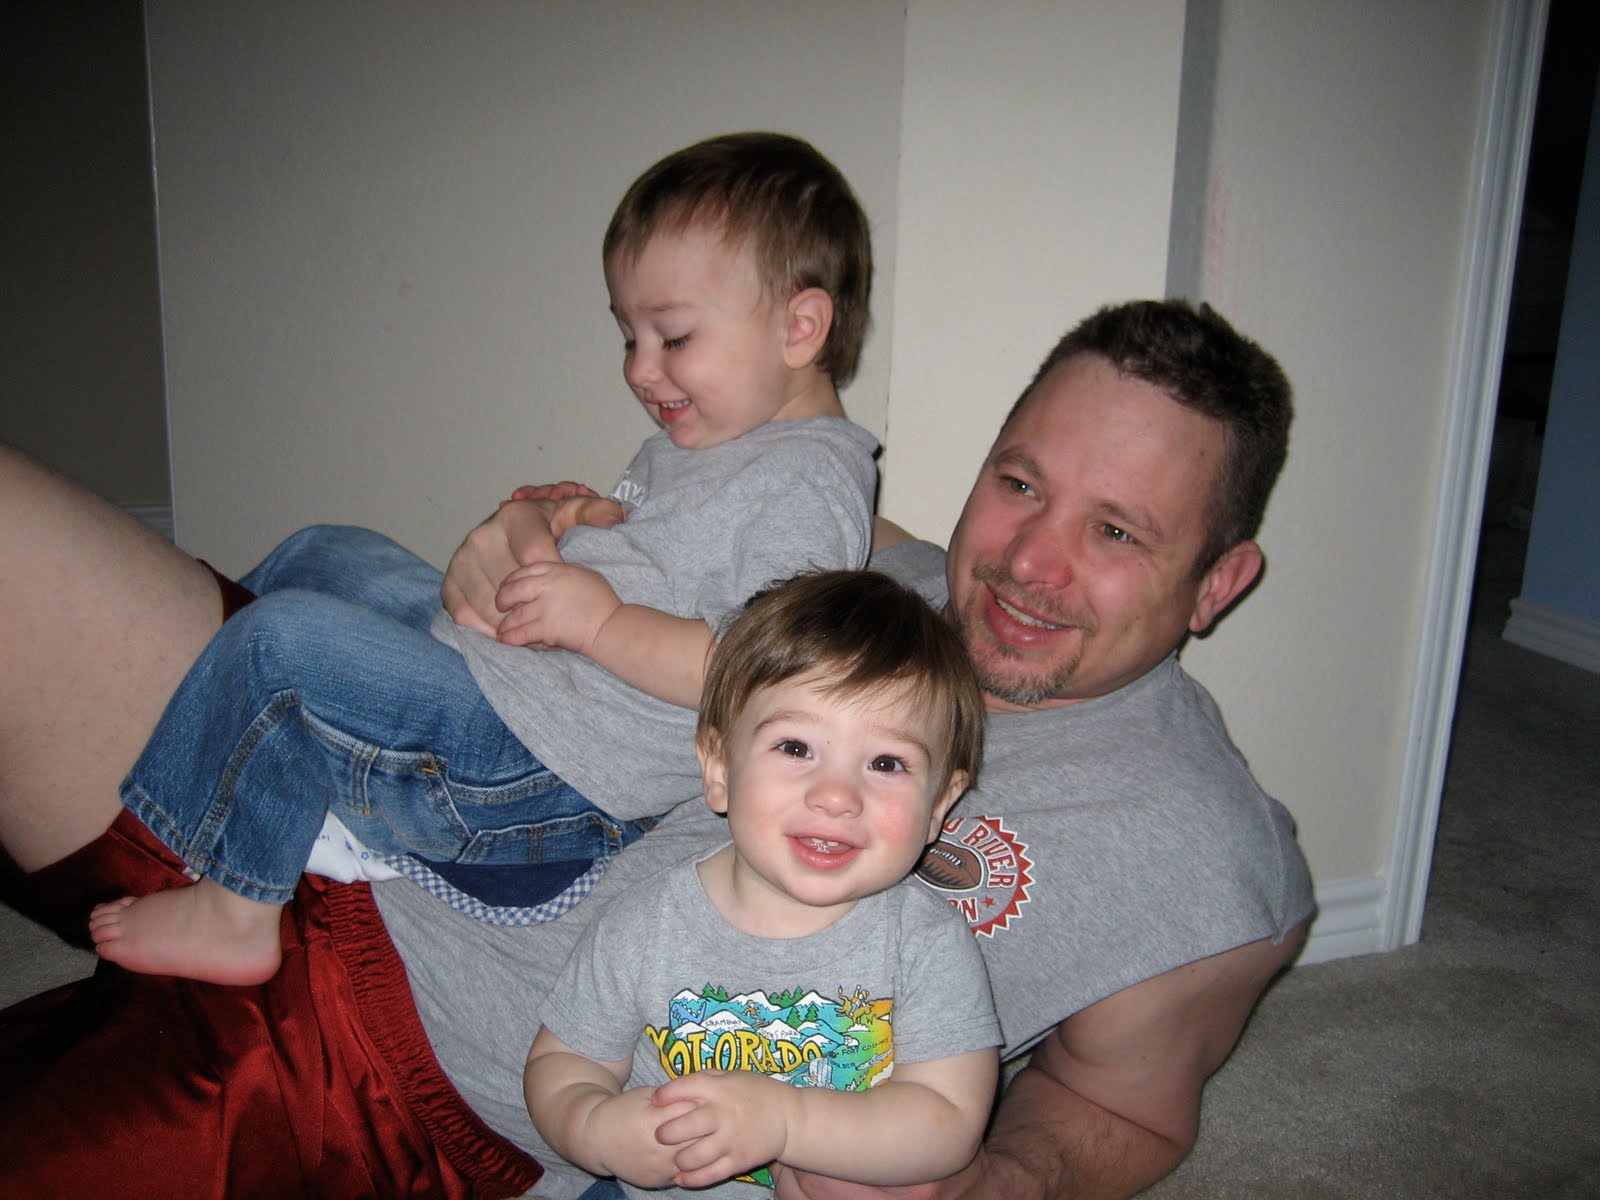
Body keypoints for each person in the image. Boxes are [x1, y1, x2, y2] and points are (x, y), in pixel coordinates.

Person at [0, 297, 1313, 1200]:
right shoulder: (866, 559)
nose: (1028, 563)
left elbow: (1126, 1109)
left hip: (395, 1073)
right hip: (321, 793)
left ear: (1219, 580)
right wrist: (533, 528)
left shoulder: (1203, 855)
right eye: (1019, 484)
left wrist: (993, 1182)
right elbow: (661, 520)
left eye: (1117, 533)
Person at [82, 130, 881, 986]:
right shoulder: (717, 440)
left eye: (673, 337)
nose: (641, 371)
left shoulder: (809, 483)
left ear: (801, 327)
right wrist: (577, 524)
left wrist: (603, 622)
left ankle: (238, 904)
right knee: (325, 552)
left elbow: (767, 672)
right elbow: (669, 561)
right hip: (519, 687)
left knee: (283, 646)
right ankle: (226, 740)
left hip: (548, 776)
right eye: (628, 338)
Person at [524, 570, 999, 1199]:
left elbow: (949, 1122)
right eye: (796, 747)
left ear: (939, 804)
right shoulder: (646, 926)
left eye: (886, 763)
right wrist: (593, 1125)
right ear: (720, 766)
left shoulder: (925, 945)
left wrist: (785, 1122)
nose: (836, 795)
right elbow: (562, 1062)